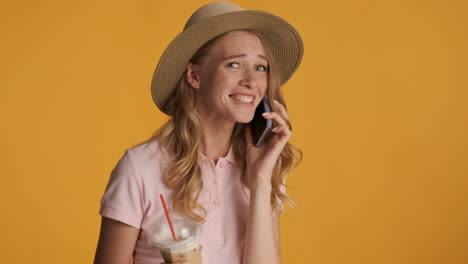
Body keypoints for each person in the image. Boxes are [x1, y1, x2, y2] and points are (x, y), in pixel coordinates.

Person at [93, 2, 303, 264]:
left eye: (261, 67)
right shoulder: (139, 168)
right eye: (233, 64)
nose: (251, 80)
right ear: (194, 75)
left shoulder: (265, 167)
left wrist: (260, 181)